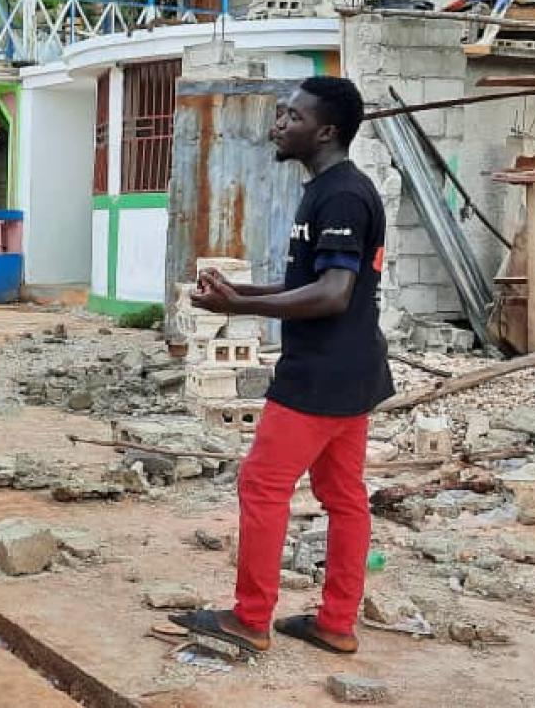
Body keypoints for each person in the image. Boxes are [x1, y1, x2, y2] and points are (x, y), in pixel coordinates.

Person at [176, 76, 392, 657]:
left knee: (263, 484)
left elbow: (333, 294)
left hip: (319, 374)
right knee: (343, 494)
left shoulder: (341, 196)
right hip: (353, 370)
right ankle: (336, 623)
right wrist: (239, 294)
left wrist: (240, 306)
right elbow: (310, 283)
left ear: (326, 132)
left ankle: (251, 618)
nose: (278, 124)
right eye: (281, 114)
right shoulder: (330, 189)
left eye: (292, 117)